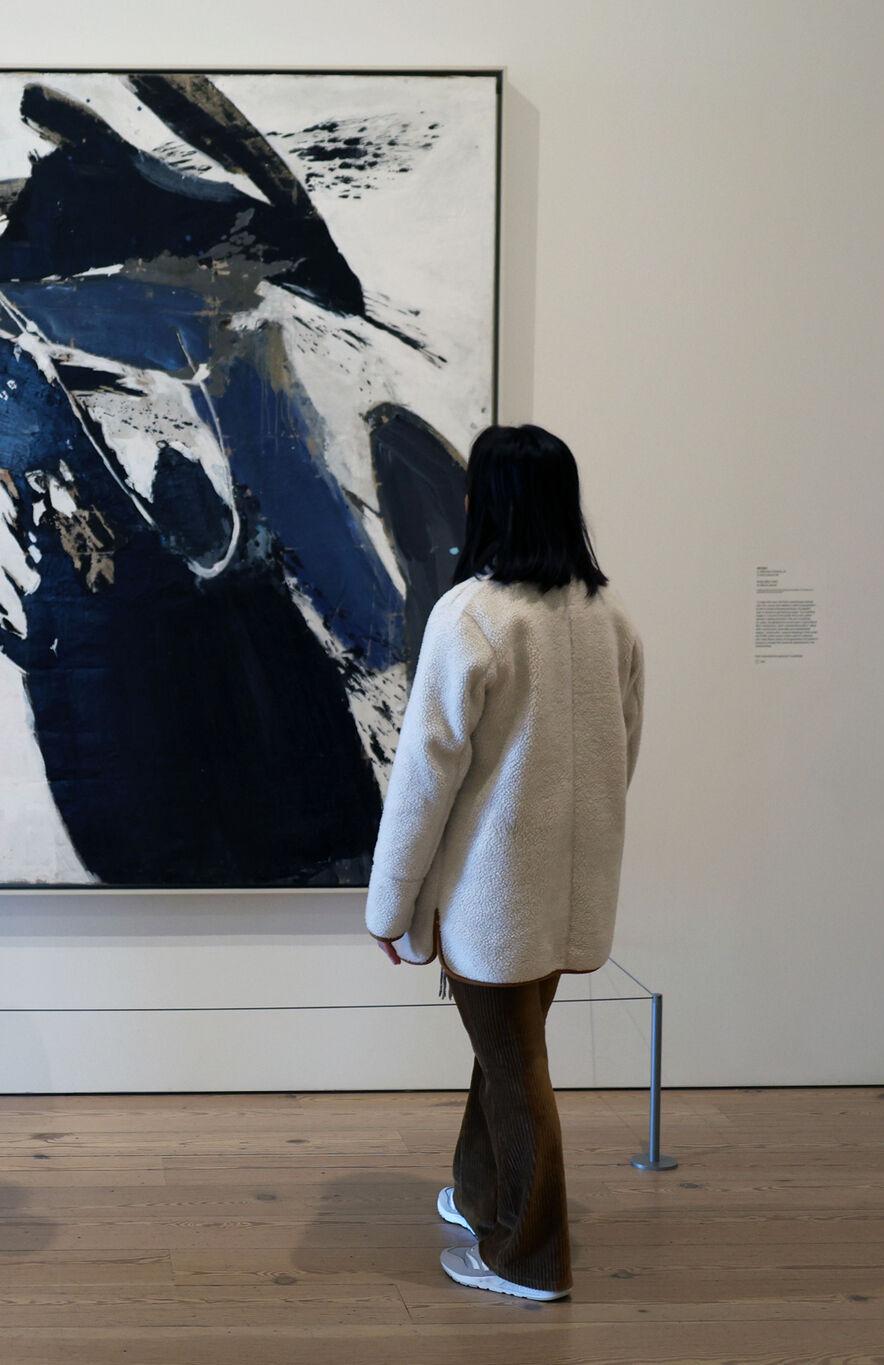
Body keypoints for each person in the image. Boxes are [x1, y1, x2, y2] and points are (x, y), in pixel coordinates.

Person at [365, 424, 643, 1303]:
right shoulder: (610, 619)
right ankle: (482, 1192)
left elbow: (423, 779)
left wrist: (390, 907)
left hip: (493, 896)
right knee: (507, 1051)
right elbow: (620, 754)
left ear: (487, 503)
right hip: (568, 894)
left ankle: (528, 1254)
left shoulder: (475, 615)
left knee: (516, 1066)